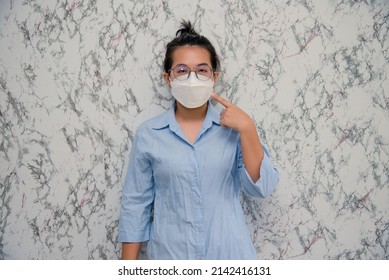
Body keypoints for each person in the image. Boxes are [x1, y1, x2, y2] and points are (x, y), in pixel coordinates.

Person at [118, 20, 279, 260]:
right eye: (182, 70)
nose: (192, 78)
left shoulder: (234, 130)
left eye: (202, 70)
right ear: (168, 77)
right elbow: (135, 205)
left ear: (214, 76)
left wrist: (248, 128)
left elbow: (261, 187)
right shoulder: (149, 134)